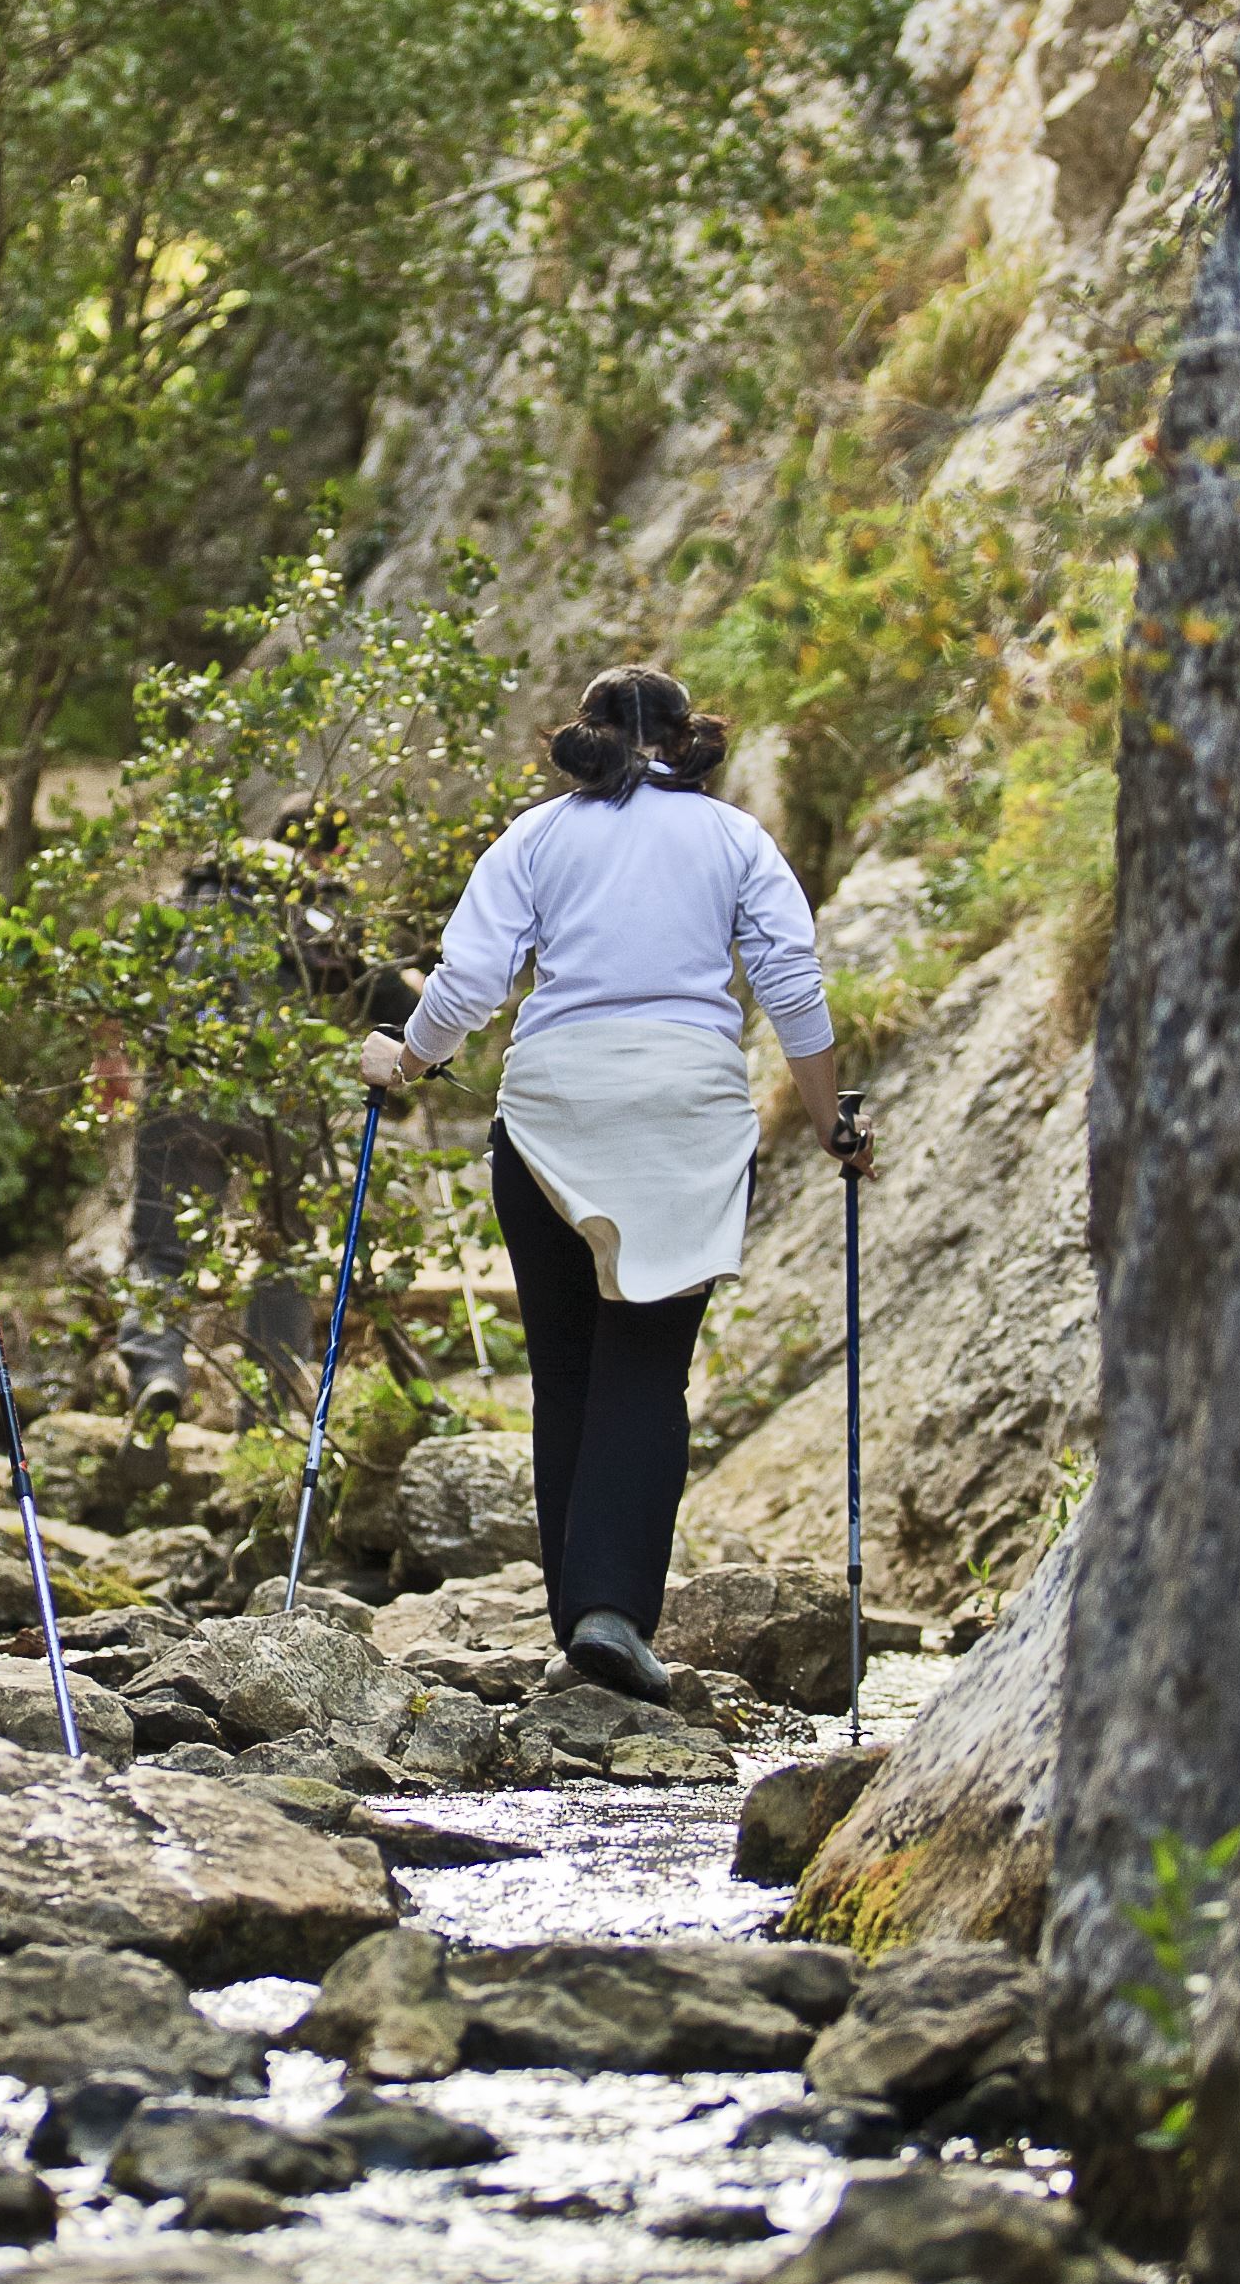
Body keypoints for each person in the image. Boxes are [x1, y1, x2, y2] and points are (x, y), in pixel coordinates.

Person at [358, 663, 869, 1705]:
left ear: (583, 736)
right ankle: (610, 1614)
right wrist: (828, 1123)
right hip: (683, 1110)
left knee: (566, 1372)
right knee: (646, 1365)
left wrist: (403, 1063)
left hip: (549, 1109)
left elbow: (468, 983)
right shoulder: (733, 840)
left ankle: (580, 1621)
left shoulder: (536, 837)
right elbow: (792, 988)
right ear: (689, 742)